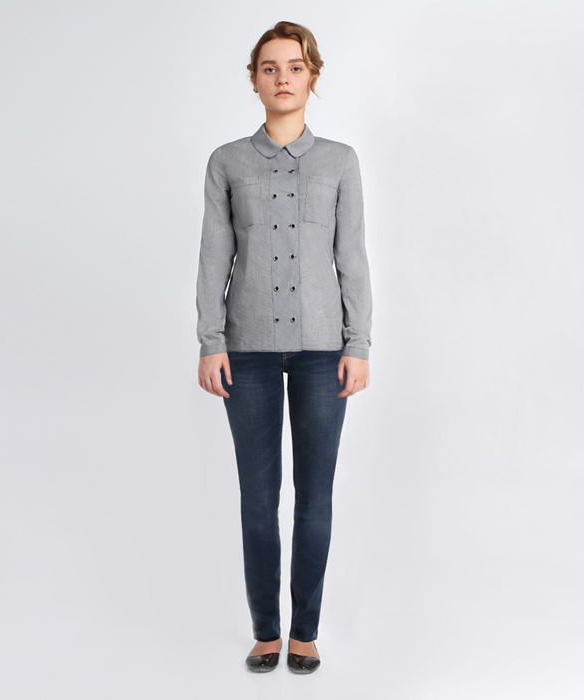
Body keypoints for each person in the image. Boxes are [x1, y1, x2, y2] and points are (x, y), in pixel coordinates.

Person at [195, 20, 373, 674]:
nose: (282, 78)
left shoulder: (340, 162)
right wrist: (211, 340)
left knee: (315, 497)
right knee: (258, 497)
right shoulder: (226, 163)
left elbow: (352, 257)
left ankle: (306, 631)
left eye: (294, 67)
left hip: (325, 350)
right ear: (254, 79)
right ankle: (266, 630)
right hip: (246, 351)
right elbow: (214, 258)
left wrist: (359, 342)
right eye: (269, 67)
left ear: (312, 76)